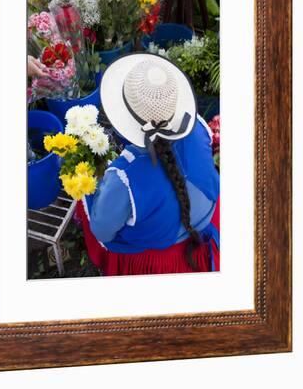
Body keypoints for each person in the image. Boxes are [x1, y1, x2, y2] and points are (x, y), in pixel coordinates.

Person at [76, 53, 220, 275]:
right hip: (202, 223)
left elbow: (102, 231)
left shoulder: (123, 176)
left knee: (86, 198)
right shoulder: (199, 128)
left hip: (158, 260)